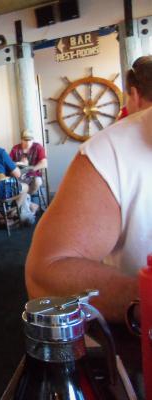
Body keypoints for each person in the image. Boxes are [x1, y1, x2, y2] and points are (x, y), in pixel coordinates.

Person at [25, 55, 152, 322]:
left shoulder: (107, 151)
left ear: (133, 95)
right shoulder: (110, 151)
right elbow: (46, 273)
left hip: (30, 178)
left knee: (29, 185)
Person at [9, 129, 47, 194]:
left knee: (38, 181)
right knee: (10, 182)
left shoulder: (38, 147)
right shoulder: (15, 148)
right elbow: (8, 163)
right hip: (18, 175)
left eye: (30, 140)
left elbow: (44, 163)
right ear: (21, 140)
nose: (28, 143)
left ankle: (27, 195)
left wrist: (30, 169)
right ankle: (25, 197)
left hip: (33, 175)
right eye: (25, 140)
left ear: (33, 140)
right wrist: (19, 163)